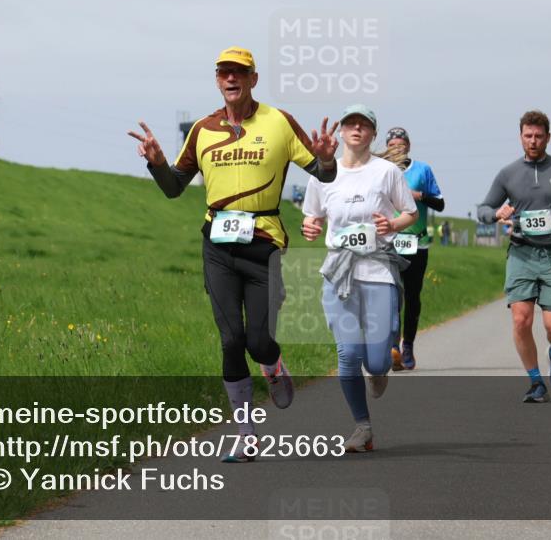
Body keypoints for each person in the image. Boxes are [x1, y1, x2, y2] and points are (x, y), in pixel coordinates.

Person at [128, 46, 338, 462]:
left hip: (265, 244)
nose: (230, 79)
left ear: (253, 79)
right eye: (223, 72)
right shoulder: (203, 130)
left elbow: (322, 173)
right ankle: (246, 434)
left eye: (239, 72)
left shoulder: (278, 121)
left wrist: (328, 159)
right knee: (230, 340)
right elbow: (174, 187)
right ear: (217, 79)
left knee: (259, 341)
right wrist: (156, 164)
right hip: (218, 245)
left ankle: (273, 366)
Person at [301, 105, 418, 452]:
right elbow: (312, 216)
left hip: (378, 270)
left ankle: (380, 369)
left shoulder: (386, 172)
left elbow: (409, 213)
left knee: (378, 361)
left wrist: (392, 224)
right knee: (348, 355)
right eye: (350, 123)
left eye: (363, 125)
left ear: (372, 134)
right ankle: (362, 427)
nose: (356, 129)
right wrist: (311, 226)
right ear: (340, 132)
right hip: (338, 272)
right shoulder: (323, 174)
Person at [477, 110, 551, 403]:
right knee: (521, 320)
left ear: (548, 138)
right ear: (520, 137)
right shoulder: (508, 174)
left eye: (538, 136)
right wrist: (496, 213)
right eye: (528, 136)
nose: (533, 141)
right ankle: (535, 382)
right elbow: (484, 208)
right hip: (521, 253)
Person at [382, 127, 445, 371]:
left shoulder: (423, 170)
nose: (397, 148)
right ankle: (393, 346)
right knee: (390, 296)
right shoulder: (380, 170)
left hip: (417, 242)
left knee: (412, 295)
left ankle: (408, 344)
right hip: (389, 242)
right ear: (387, 147)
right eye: (393, 144)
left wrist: (419, 195)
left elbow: (439, 203)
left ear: (409, 146)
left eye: (401, 144)